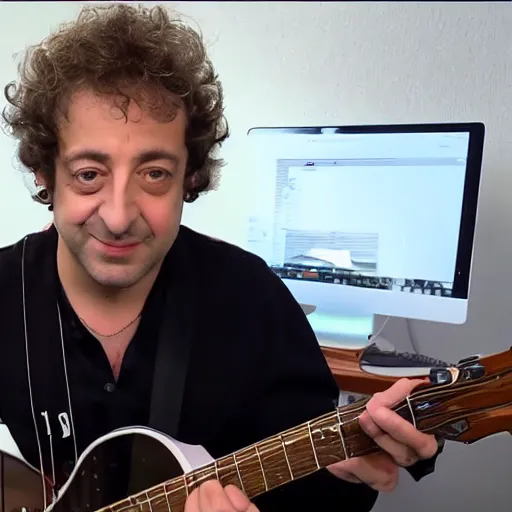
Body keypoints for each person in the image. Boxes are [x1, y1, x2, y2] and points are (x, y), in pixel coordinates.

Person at [0, 4, 443, 511]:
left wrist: (353, 472)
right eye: (88, 174)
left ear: (190, 178)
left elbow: (323, 489)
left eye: (154, 174)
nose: (119, 216)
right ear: (43, 172)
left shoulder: (250, 298)